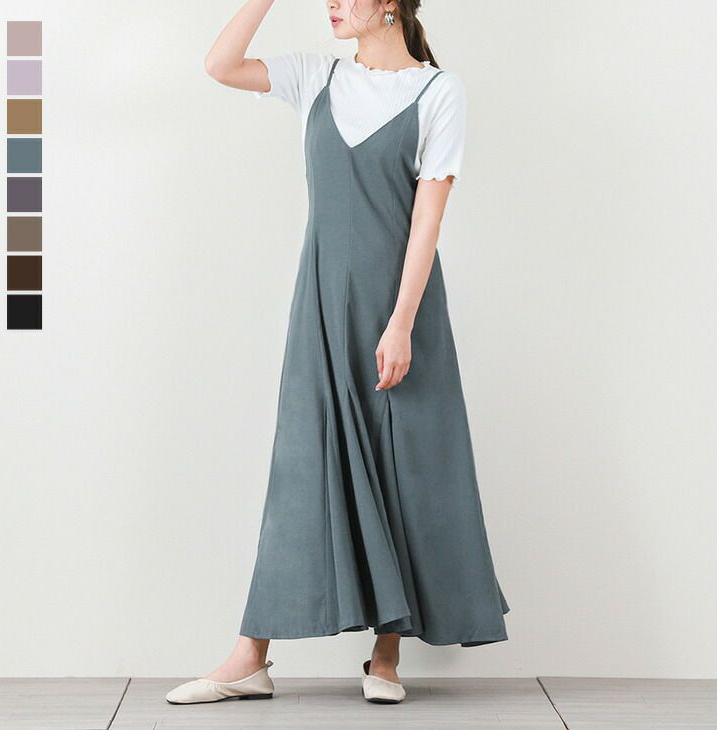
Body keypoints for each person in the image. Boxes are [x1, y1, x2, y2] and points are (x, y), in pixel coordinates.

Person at [166, 0, 510, 706]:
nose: (332, 3)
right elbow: (220, 65)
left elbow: (428, 217)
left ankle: (386, 657)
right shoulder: (315, 77)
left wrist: (402, 322)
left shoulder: (438, 91)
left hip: (398, 311)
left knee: (405, 471)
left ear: (390, 4)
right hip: (320, 307)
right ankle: (250, 657)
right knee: (300, 471)